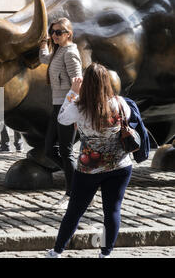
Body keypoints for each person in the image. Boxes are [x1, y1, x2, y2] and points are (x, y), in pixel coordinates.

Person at [45, 63, 133, 258]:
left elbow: (62, 119)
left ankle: (57, 251)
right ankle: (106, 253)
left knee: (74, 211)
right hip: (119, 165)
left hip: (89, 169)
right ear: (106, 83)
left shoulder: (79, 107)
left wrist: (73, 92)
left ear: (86, 84)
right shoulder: (120, 103)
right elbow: (127, 119)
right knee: (112, 211)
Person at [39, 17, 82, 209]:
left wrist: (72, 110)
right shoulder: (58, 50)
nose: (54, 35)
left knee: (66, 151)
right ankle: (80, 180)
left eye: (58, 32)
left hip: (67, 105)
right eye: (52, 32)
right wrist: (43, 43)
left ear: (68, 33)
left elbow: (78, 82)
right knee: (49, 149)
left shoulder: (70, 53)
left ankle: (73, 194)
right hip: (57, 105)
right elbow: (44, 59)